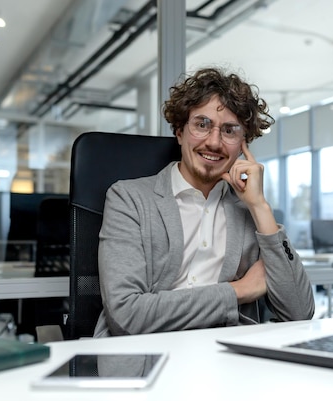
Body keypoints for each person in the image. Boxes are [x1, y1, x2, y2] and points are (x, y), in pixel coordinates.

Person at [93, 67, 315, 337]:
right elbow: (126, 315)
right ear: (179, 131)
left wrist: (260, 206)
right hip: (146, 361)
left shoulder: (250, 213)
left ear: (243, 144)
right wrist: (239, 291)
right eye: (202, 124)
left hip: (229, 363)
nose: (214, 142)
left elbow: (300, 313)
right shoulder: (130, 199)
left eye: (230, 131)